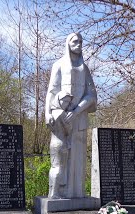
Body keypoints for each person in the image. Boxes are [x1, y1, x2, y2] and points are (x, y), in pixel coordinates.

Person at [45, 32, 97, 199]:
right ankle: (58, 193)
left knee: (78, 159)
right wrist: (47, 113)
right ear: (68, 43)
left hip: (79, 118)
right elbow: (51, 92)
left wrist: (76, 111)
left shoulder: (85, 68)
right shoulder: (58, 65)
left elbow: (92, 96)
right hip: (61, 119)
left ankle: (77, 194)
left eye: (81, 41)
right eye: (75, 41)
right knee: (61, 160)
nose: (79, 44)